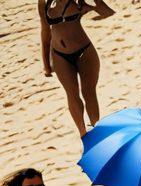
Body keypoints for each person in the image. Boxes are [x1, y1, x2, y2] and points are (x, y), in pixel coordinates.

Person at [39, 0, 113, 137]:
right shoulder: (44, 2)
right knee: (72, 95)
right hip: (59, 55)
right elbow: (45, 32)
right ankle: (83, 135)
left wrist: (92, 5)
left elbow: (107, 13)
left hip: (84, 51)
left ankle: (97, 131)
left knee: (89, 92)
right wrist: (46, 64)